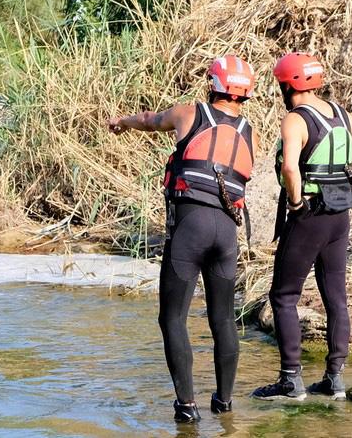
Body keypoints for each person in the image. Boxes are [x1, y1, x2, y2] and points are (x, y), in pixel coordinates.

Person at [108, 56, 259, 423]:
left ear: (212, 85)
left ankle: (187, 407)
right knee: (222, 319)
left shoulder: (189, 114)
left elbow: (149, 121)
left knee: (172, 318)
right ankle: (224, 404)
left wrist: (121, 122)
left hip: (190, 229)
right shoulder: (249, 132)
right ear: (245, 93)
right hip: (226, 234)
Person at [252, 53, 352, 401]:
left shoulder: (295, 120)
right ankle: (334, 378)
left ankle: (290, 380)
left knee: (283, 296)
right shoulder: (339, 113)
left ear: (286, 85)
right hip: (340, 217)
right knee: (336, 297)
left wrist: (296, 203)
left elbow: (291, 170)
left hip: (309, 216)